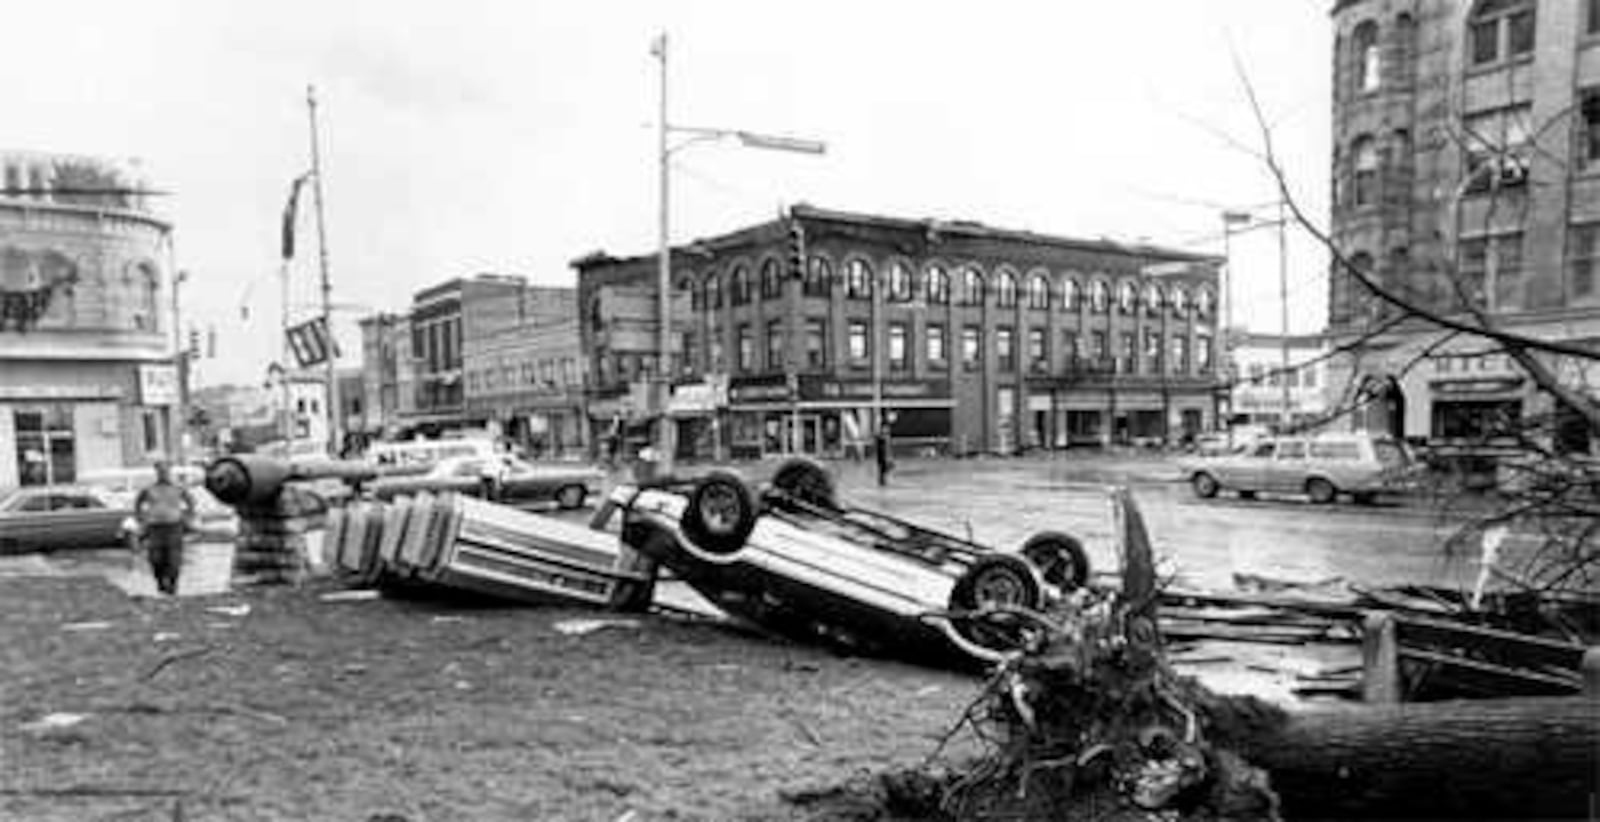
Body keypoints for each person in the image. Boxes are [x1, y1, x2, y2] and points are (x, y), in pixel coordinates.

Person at [134, 460, 197, 596]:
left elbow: (190, 501)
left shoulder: (178, 487)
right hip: (154, 527)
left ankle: (173, 586)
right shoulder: (148, 488)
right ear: (156, 472)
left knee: (173, 560)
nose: (163, 473)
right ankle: (160, 582)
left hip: (174, 527)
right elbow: (138, 502)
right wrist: (140, 519)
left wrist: (189, 517)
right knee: (155, 558)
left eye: (165, 471)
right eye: (160, 471)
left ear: (170, 471)